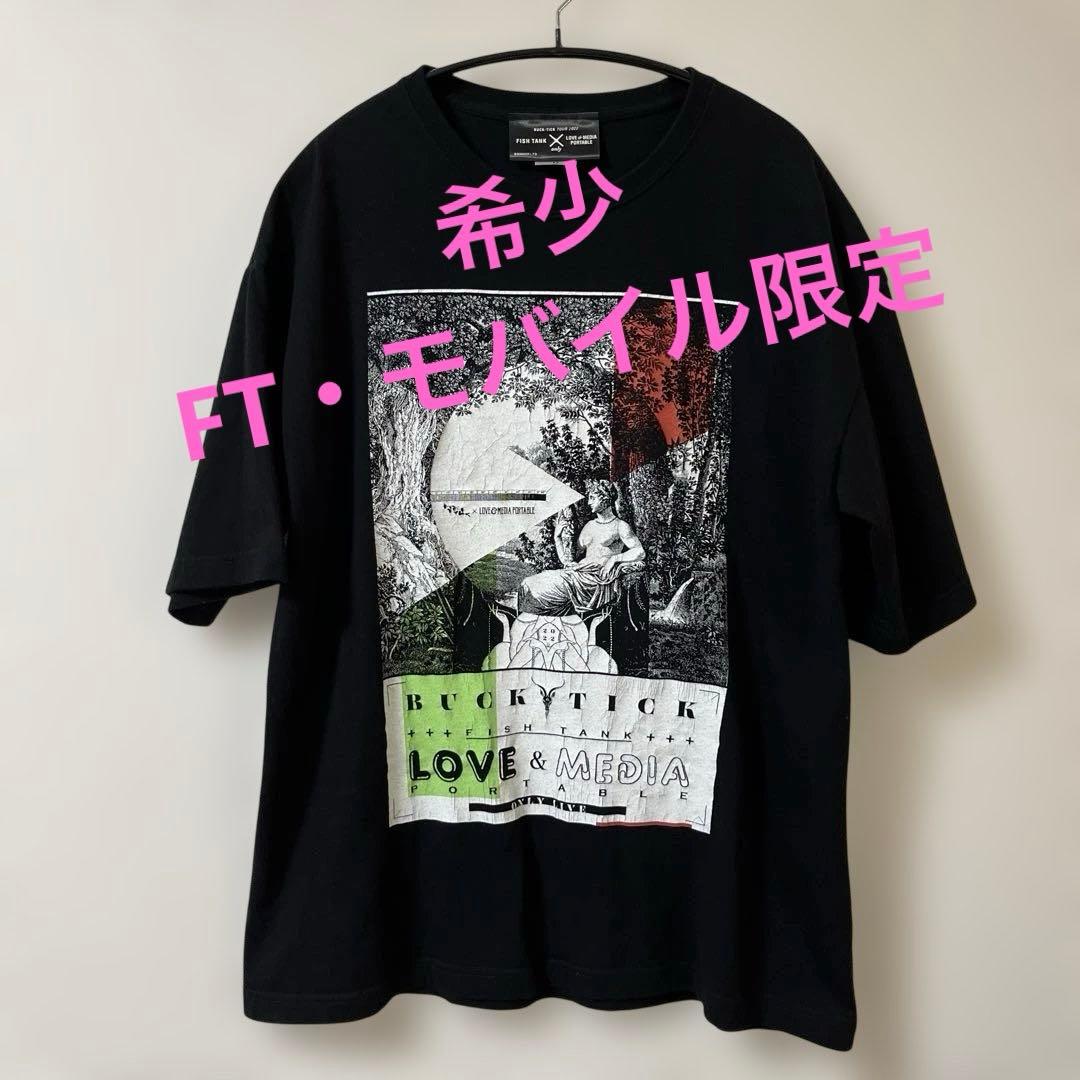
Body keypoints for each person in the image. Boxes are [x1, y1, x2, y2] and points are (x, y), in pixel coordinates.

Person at [517, 479, 644, 618]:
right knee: (528, 583)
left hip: (594, 580)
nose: (589, 502)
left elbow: (640, 552)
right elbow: (570, 559)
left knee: (534, 587)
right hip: (578, 574)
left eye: (593, 498)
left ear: (605, 498)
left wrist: (614, 559)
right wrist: (557, 538)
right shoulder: (589, 526)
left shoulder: (620, 526)